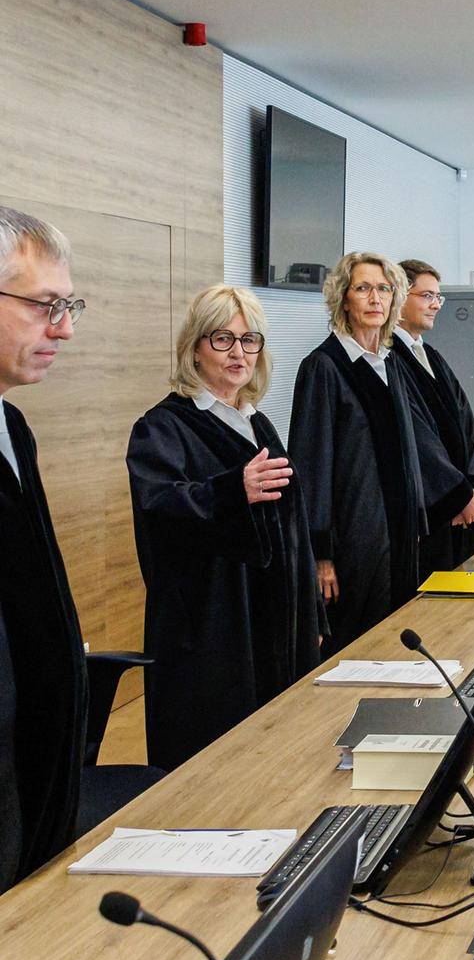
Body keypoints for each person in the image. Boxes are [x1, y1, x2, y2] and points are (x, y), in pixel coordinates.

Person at [126, 285, 320, 771]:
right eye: (223, 339)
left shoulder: (258, 425)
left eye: (249, 340)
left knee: (276, 754)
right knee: (217, 763)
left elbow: (291, 530)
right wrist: (232, 490)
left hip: (276, 621)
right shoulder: (163, 427)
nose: (239, 353)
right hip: (214, 627)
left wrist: (311, 615)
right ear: (195, 347)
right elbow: (161, 506)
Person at [0, 207, 88, 892]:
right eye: (44, 307)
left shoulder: (13, 424)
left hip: (41, 781)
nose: (62, 328)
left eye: (68, 307)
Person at [289, 253, 424, 652]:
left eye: (383, 289)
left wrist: (414, 520)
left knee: (394, 639)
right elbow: (311, 465)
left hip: (395, 536)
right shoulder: (323, 367)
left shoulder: (391, 364)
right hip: (352, 542)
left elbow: (407, 453)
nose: (375, 299)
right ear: (343, 299)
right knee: (357, 647)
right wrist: (320, 555)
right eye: (362, 288)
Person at [392, 258, 474, 578]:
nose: (436, 305)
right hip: (431, 513)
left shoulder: (431, 356)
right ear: (399, 296)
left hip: (459, 510)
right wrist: (457, 496)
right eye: (427, 296)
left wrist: (471, 487)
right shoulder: (389, 359)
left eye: (438, 297)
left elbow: (465, 424)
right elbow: (418, 440)